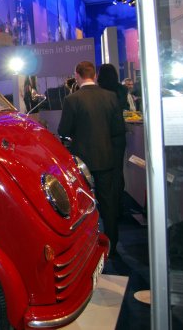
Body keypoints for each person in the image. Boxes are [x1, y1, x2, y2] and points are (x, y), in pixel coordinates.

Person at [58, 61, 126, 257]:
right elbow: (118, 129)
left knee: (83, 205)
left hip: (82, 162)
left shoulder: (72, 99)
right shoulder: (110, 96)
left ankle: (86, 246)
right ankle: (112, 245)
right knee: (108, 203)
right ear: (94, 75)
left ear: (77, 75)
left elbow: (64, 130)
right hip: (106, 158)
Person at [97, 64, 129, 220]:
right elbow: (125, 108)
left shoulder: (99, 92)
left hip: (102, 134)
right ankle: (119, 206)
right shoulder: (122, 90)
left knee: (104, 173)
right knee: (118, 172)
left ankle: (107, 208)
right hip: (118, 135)